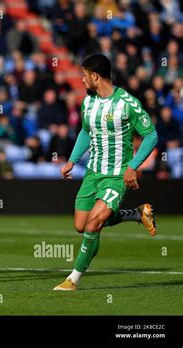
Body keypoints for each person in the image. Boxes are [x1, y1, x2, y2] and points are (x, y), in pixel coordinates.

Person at [53, 54, 158, 291]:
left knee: (93, 225)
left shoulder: (127, 103)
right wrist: (72, 160)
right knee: (81, 225)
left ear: (95, 76)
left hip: (117, 175)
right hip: (93, 173)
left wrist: (133, 167)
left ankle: (73, 280)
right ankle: (137, 213)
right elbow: (85, 131)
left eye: (84, 75)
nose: (81, 79)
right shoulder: (88, 102)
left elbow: (151, 135)